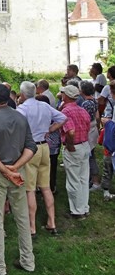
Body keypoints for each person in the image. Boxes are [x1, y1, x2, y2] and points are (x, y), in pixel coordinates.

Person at [0, 83, 37, 275]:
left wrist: (7, 170)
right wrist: (15, 168)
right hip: (18, 171)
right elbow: (31, 147)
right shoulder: (21, 118)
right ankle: (28, 261)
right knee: (22, 217)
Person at [17, 81, 67, 236]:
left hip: (30, 149)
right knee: (45, 186)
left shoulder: (22, 109)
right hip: (45, 147)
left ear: (23, 94)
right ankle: (51, 221)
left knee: (30, 189)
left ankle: (32, 226)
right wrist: (50, 129)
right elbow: (63, 117)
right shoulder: (44, 105)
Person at [60, 85, 91, 218]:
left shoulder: (66, 112)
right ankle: (84, 206)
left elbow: (70, 131)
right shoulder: (82, 110)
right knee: (83, 178)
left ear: (66, 96)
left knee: (73, 179)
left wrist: (70, 144)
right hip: (84, 145)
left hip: (74, 147)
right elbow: (88, 126)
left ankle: (77, 210)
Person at [80, 80, 100, 191]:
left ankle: (95, 181)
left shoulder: (86, 103)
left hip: (88, 131)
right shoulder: (94, 100)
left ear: (82, 90)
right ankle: (92, 179)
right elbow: (97, 117)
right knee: (91, 155)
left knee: (90, 157)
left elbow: (84, 120)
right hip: (93, 129)